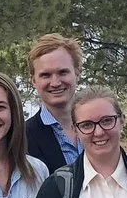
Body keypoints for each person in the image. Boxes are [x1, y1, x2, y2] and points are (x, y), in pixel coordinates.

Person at [23, 34, 84, 173]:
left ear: (77, 73)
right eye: (46, 75)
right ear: (33, 80)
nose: (55, 83)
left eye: (63, 72)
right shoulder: (22, 140)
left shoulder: (99, 128)